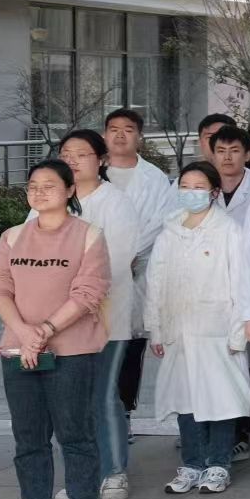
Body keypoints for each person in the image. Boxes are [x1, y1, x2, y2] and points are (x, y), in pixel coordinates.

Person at [0, 158, 112, 499]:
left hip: (71, 352)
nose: (39, 192)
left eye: (49, 186)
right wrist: (24, 332)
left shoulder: (89, 235)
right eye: (33, 186)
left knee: (75, 433)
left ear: (70, 190)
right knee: (28, 436)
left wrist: (44, 331)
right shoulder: (12, 237)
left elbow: (88, 292)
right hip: (18, 350)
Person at [45, 130, 152, 499]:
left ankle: (113, 471)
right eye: (66, 154)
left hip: (106, 317)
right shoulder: (52, 202)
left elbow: (116, 261)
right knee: (69, 400)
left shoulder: (115, 202)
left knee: (103, 396)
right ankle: (82, 474)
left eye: (81, 154)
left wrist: (70, 292)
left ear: (101, 160)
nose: (72, 160)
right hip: (60, 321)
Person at [147, 161, 250, 495]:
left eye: (199, 187)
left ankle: (218, 464)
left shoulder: (228, 231)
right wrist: (156, 328)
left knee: (221, 399)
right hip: (179, 331)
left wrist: (238, 332)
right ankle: (192, 464)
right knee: (187, 401)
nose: (191, 193)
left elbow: (242, 282)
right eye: (185, 186)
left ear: (214, 192)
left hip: (217, 330)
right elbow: (156, 282)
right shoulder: (170, 231)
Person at [102, 108, 174, 419]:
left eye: (128, 129)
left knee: (130, 347)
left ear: (140, 137)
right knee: (93, 346)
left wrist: (125, 256)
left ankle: (123, 414)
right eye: (114, 129)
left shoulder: (154, 178)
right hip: (92, 273)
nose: (120, 135)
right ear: (104, 135)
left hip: (136, 270)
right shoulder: (93, 172)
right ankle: (96, 413)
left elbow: (160, 222)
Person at [209, 125, 250, 224]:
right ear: (213, 156)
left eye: (234, 151)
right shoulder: (200, 187)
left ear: (247, 155)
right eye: (221, 151)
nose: (227, 157)